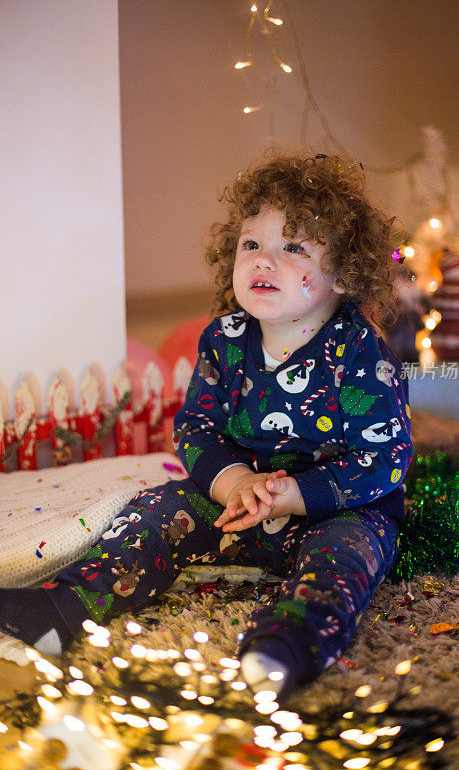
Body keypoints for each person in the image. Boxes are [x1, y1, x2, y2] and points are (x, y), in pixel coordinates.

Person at [0, 152, 412, 702]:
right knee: (151, 512)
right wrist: (234, 481)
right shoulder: (224, 338)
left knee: (344, 561)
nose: (264, 260)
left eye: (292, 247)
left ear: (341, 273)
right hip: (236, 501)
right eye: (251, 245)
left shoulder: (359, 349)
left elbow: (383, 457)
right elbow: (196, 427)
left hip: (336, 507)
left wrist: (296, 493)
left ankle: (288, 643)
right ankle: (60, 609)